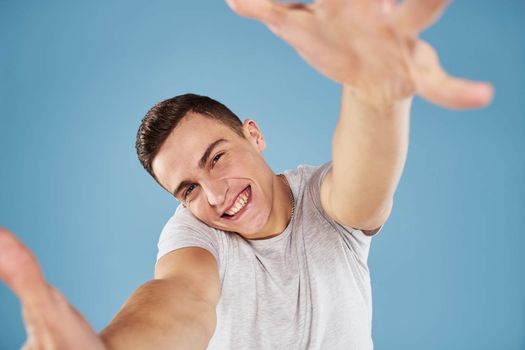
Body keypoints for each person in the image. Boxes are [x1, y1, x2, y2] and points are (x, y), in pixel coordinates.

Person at [0, 0, 493, 349]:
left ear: (254, 135)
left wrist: (375, 91)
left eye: (216, 157)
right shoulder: (194, 236)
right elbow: (178, 298)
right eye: (188, 188)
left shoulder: (324, 200)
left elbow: (364, 187)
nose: (214, 195)